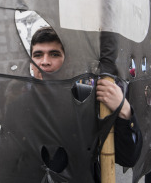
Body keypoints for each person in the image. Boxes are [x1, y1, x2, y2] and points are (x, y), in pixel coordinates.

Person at [30, 27, 142, 171]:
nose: (45, 62)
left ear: (67, 61)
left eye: (54, 54)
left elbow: (128, 157)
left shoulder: (87, 99)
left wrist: (124, 111)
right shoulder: (17, 104)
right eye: (38, 55)